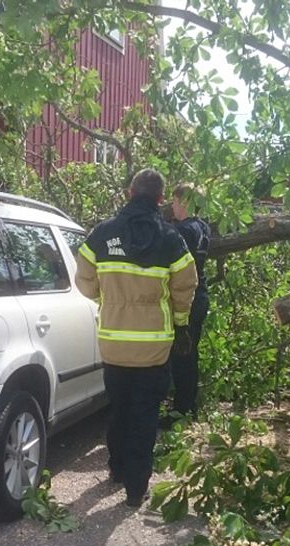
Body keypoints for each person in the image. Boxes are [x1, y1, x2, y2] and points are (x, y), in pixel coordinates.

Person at [75, 169, 198, 507]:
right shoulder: (171, 239)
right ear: (160, 200)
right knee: (145, 415)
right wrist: (181, 323)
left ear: (129, 193)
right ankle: (135, 487)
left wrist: (107, 298)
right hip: (154, 347)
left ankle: (116, 468)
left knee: (118, 409)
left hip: (114, 343)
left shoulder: (102, 235)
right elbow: (186, 285)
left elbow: (83, 279)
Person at [169, 184, 211, 419]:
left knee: (181, 355)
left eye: (174, 202)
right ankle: (188, 405)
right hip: (201, 294)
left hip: (188, 297)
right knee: (190, 352)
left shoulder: (183, 231)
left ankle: (181, 409)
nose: (172, 208)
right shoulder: (203, 227)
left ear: (183, 201)